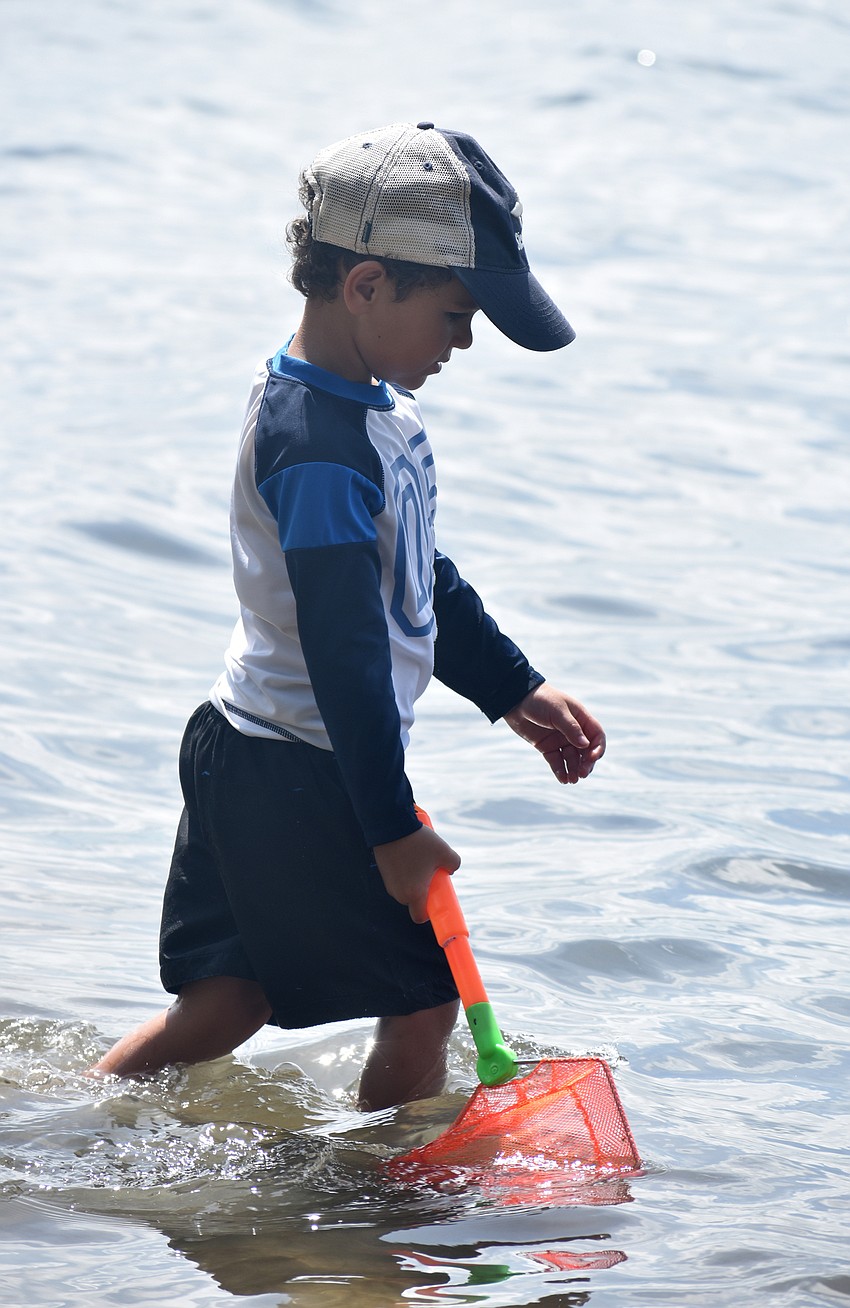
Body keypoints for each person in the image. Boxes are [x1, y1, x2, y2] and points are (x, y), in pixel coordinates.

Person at [89, 122, 605, 1109]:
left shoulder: (371, 407)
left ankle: (64, 1124)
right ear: (367, 284)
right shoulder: (318, 448)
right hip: (298, 763)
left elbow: (417, 579)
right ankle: (381, 1214)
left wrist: (513, 690)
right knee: (422, 1005)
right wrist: (389, 826)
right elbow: (345, 647)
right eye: (457, 317)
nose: (463, 344)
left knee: (225, 1005)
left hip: (248, 743)